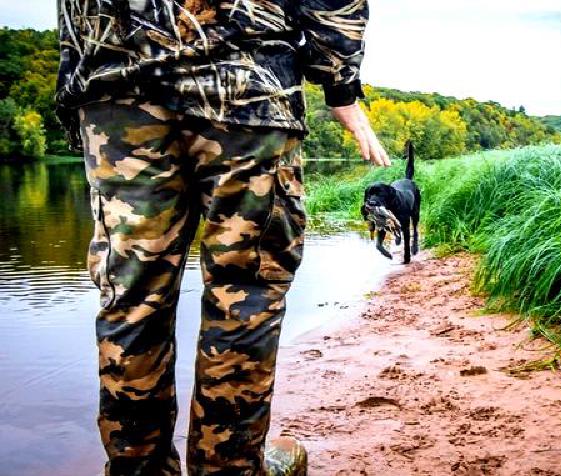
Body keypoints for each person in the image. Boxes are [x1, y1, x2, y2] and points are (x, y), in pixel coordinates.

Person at [55, 0, 389, 473]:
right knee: (245, 292)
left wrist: (79, 95)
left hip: (116, 88)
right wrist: (340, 85)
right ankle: (228, 467)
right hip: (244, 88)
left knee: (131, 296)